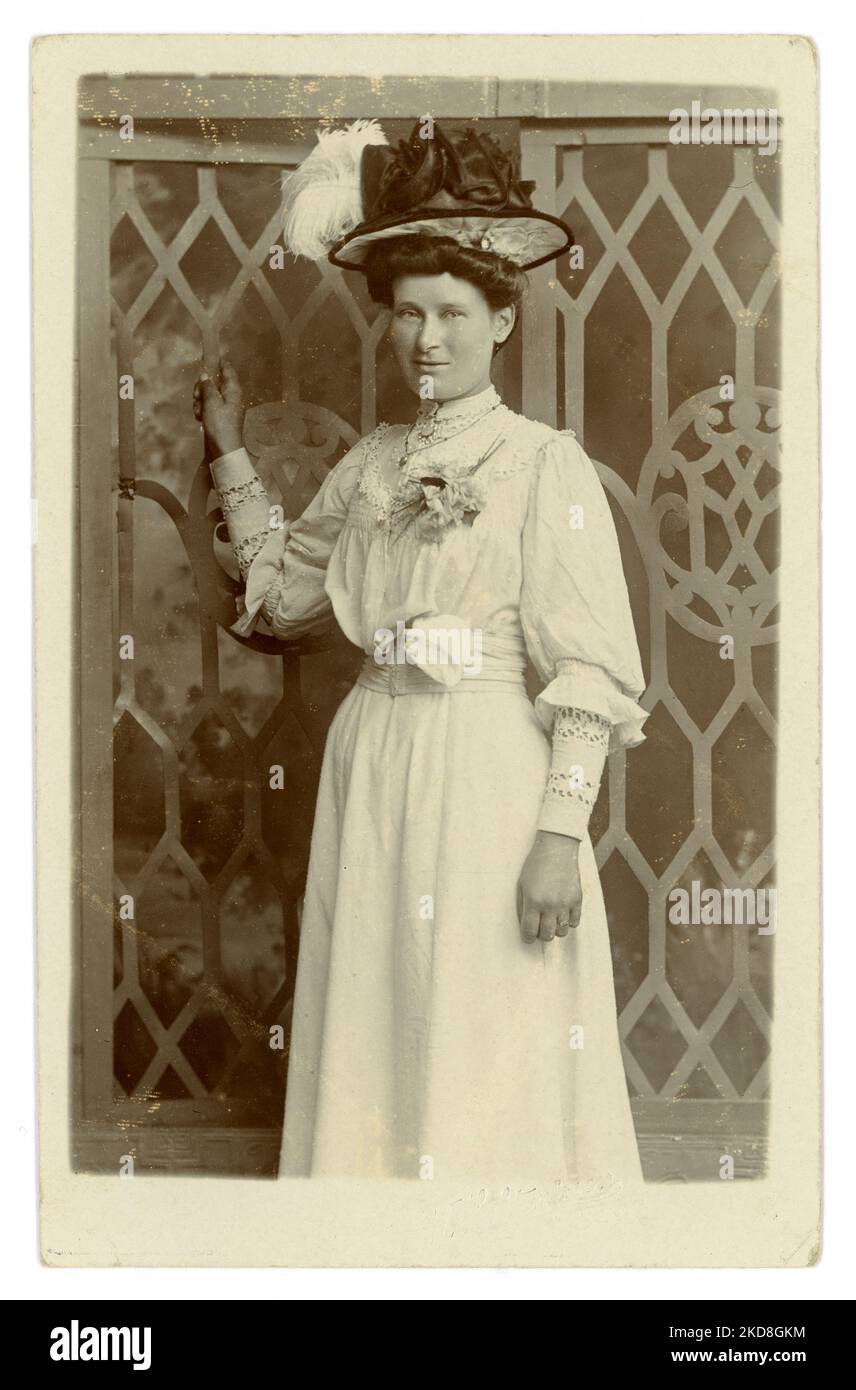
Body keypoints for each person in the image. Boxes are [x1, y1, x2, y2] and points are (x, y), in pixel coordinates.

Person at [194, 118, 649, 1183]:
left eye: (451, 314)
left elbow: (592, 668)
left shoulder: (543, 465)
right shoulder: (368, 465)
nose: (425, 340)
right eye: (406, 315)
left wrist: (555, 832)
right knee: (380, 1034)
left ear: (500, 319)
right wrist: (226, 451)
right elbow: (277, 596)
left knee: (486, 1037)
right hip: (375, 764)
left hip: (488, 777)